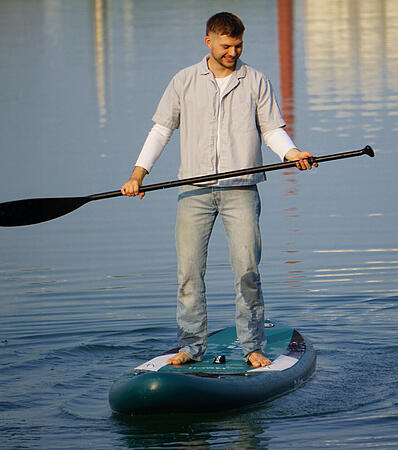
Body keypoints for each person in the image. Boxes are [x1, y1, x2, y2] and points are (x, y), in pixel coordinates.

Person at [121, 12, 316, 368]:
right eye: (226, 45)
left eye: (238, 45)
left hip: (241, 191)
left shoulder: (255, 80)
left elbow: (271, 130)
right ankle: (191, 347)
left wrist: (291, 152)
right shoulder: (183, 81)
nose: (233, 52)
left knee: (247, 270)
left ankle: (253, 346)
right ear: (208, 41)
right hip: (193, 192)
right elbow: (161, 130)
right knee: (189, 274)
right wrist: (138, 174)